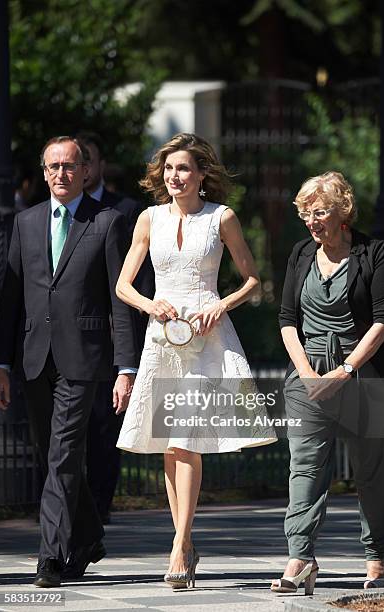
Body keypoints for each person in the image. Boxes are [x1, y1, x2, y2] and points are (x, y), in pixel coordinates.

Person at [115, 132, 276, 589]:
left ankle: (179, 545)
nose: (174, 176)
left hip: (208, 338)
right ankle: (183, 542)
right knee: (172, 444)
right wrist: (151, 305)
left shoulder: (221, 218)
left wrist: (219, 304)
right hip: (163, 338)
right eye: (168, 169)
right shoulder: (148, 219)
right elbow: (124, 285)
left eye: (183, 168)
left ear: (202, 173)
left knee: (185, 439)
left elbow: (251, 278)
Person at [0, 136, 140, 588]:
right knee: (50, 455)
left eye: (70, 166)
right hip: (33, 358)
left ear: (85, 172)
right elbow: (11, 300)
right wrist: (0, 364)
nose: (61, 174)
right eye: (53, 166)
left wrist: (126, 367)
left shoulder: (109, 223)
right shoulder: (25, 222)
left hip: (84, 359)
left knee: (61, 457)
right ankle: (88, 535)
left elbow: (121, 300)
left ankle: (50, 557)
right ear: (44, 173)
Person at [272, 171, 384, 595]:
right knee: (305, 468)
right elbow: (287, 320)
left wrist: (344, 370)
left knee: (375, 473)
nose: (312, 221)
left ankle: (376, 558)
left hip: (368, 376)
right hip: (309, 378)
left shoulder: (374, 252)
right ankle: (300, 558)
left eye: (320, 211)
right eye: (306, 213)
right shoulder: (299, 254)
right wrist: (309, 376)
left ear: (342, 211)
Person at [76, 131, 154, 524]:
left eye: (86, 159)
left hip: (113, 335)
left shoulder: (125, 210)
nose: (81, 168)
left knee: (107, 430)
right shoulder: (54, 210)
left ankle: (99, 509)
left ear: (99, 165)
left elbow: (139, 278)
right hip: (72, 339)